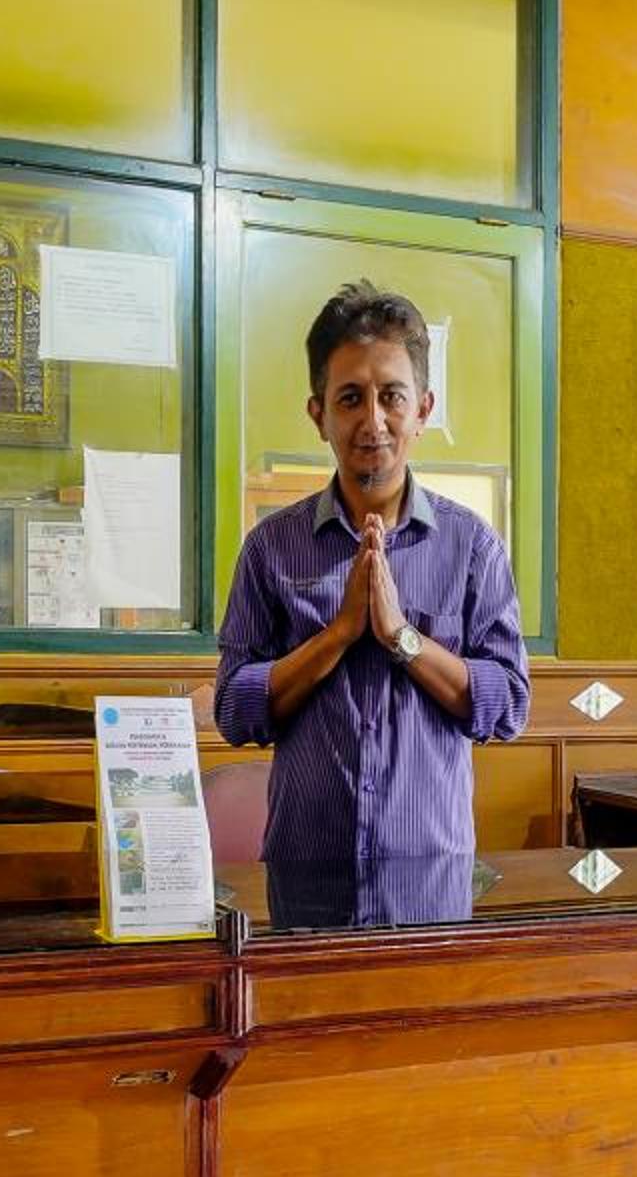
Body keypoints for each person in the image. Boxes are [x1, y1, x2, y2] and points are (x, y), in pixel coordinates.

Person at [214, 281, 529, 865]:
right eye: (351, 398)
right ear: (319, 415)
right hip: (306, 873)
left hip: (429, 876)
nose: (374, 420)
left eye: (392, 397)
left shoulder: (473, 547)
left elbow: (508, 705)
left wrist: (401, 637)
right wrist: (337, 636)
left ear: (423, 410)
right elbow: (234, 709)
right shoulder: (270, 549)